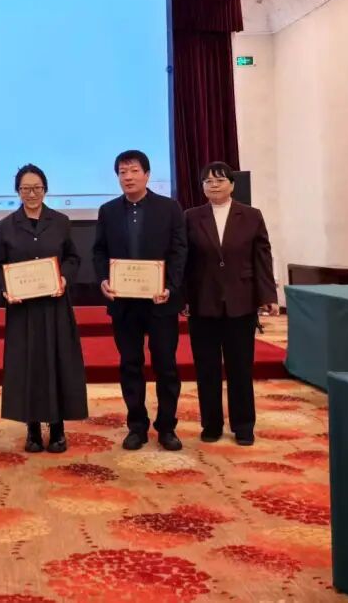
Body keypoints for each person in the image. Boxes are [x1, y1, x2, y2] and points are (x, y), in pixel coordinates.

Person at [93, 150, 187, 452]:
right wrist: (103, 279)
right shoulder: (108, 211)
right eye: (122, 172)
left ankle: (167, 427)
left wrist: (171, 286)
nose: (128, 177)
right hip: (124, 304)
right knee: (130, 365)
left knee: (166, 366)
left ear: (147, 175)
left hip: (161, 301)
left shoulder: (169, 208)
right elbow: (99, 251)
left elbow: (179, 251)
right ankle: (137, 426)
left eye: (134, 171)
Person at [0, 164, 88, 453]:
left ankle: (57, 428)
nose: (31, 194)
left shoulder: (60, 221)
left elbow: (73, 258)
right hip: (23, 309)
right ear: (17, 191)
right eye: (25, 189)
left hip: (55, 306)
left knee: (59, 363)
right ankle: (32, 428)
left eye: (37, 188)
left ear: (45, 190)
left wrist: (64, 278)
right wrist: (6, 288)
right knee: (28, 366)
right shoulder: (6, 225)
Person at [184, 161, 279, 446]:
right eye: (208, 181)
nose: (214, 185)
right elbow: (184, 262)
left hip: (241, 301)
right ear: (202, 187)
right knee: (207, 368)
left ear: (232, 184)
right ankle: (211, 424)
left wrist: (268, 296)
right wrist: (183, 297)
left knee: (240, 367)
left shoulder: (251, 215)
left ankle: (244, 425)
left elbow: (262, 257)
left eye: (220, 180)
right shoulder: (191, 217)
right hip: (203, 302)